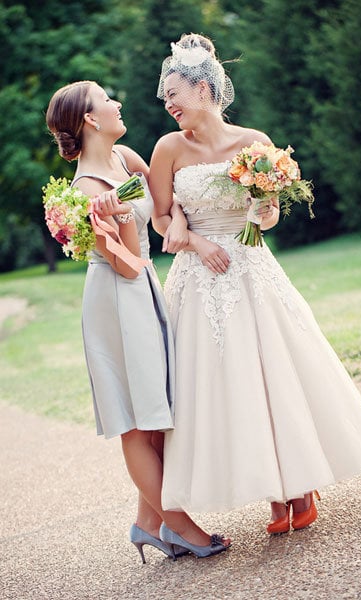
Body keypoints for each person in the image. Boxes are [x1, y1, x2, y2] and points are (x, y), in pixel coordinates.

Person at [149, 34, 361, 534]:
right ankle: (272, 492)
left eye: (174, 93)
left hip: (252, 268)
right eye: (165, 96)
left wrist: (264, 211)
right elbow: (158, 219)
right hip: (200, 279)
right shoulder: (167, 148)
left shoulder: (254, 142)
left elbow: (271, 214)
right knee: (225, 385)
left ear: (204, 91)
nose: (167, 103)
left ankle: (298, 485)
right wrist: (192, 238)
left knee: (273, 375)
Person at [45, 80, 230, 560]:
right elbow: (123, 262)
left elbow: (167, 204)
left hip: (144, 289)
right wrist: (111, 221)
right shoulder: (87, 189)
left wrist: (181, 224)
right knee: (136, 422)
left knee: (158, 414)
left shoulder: (125, 158)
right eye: (107, 100)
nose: (117, 103)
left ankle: (149, 524)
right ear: (89, 119)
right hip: (116, 298)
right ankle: (183, 528)